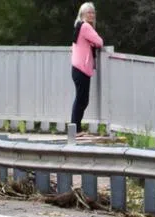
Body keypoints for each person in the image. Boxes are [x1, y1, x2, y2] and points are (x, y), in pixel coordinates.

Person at [70, 2, 103, 133]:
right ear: (82, 14)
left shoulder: (79, 26)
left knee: (81, 99)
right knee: (81, 100)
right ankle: (75, 129)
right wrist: (92, 42)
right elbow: (99, 42)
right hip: (81, 68)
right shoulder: (85, 27)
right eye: (89, 12)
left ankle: (75, 128)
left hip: (77, 68)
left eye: (93, 12)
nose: (91, 15)